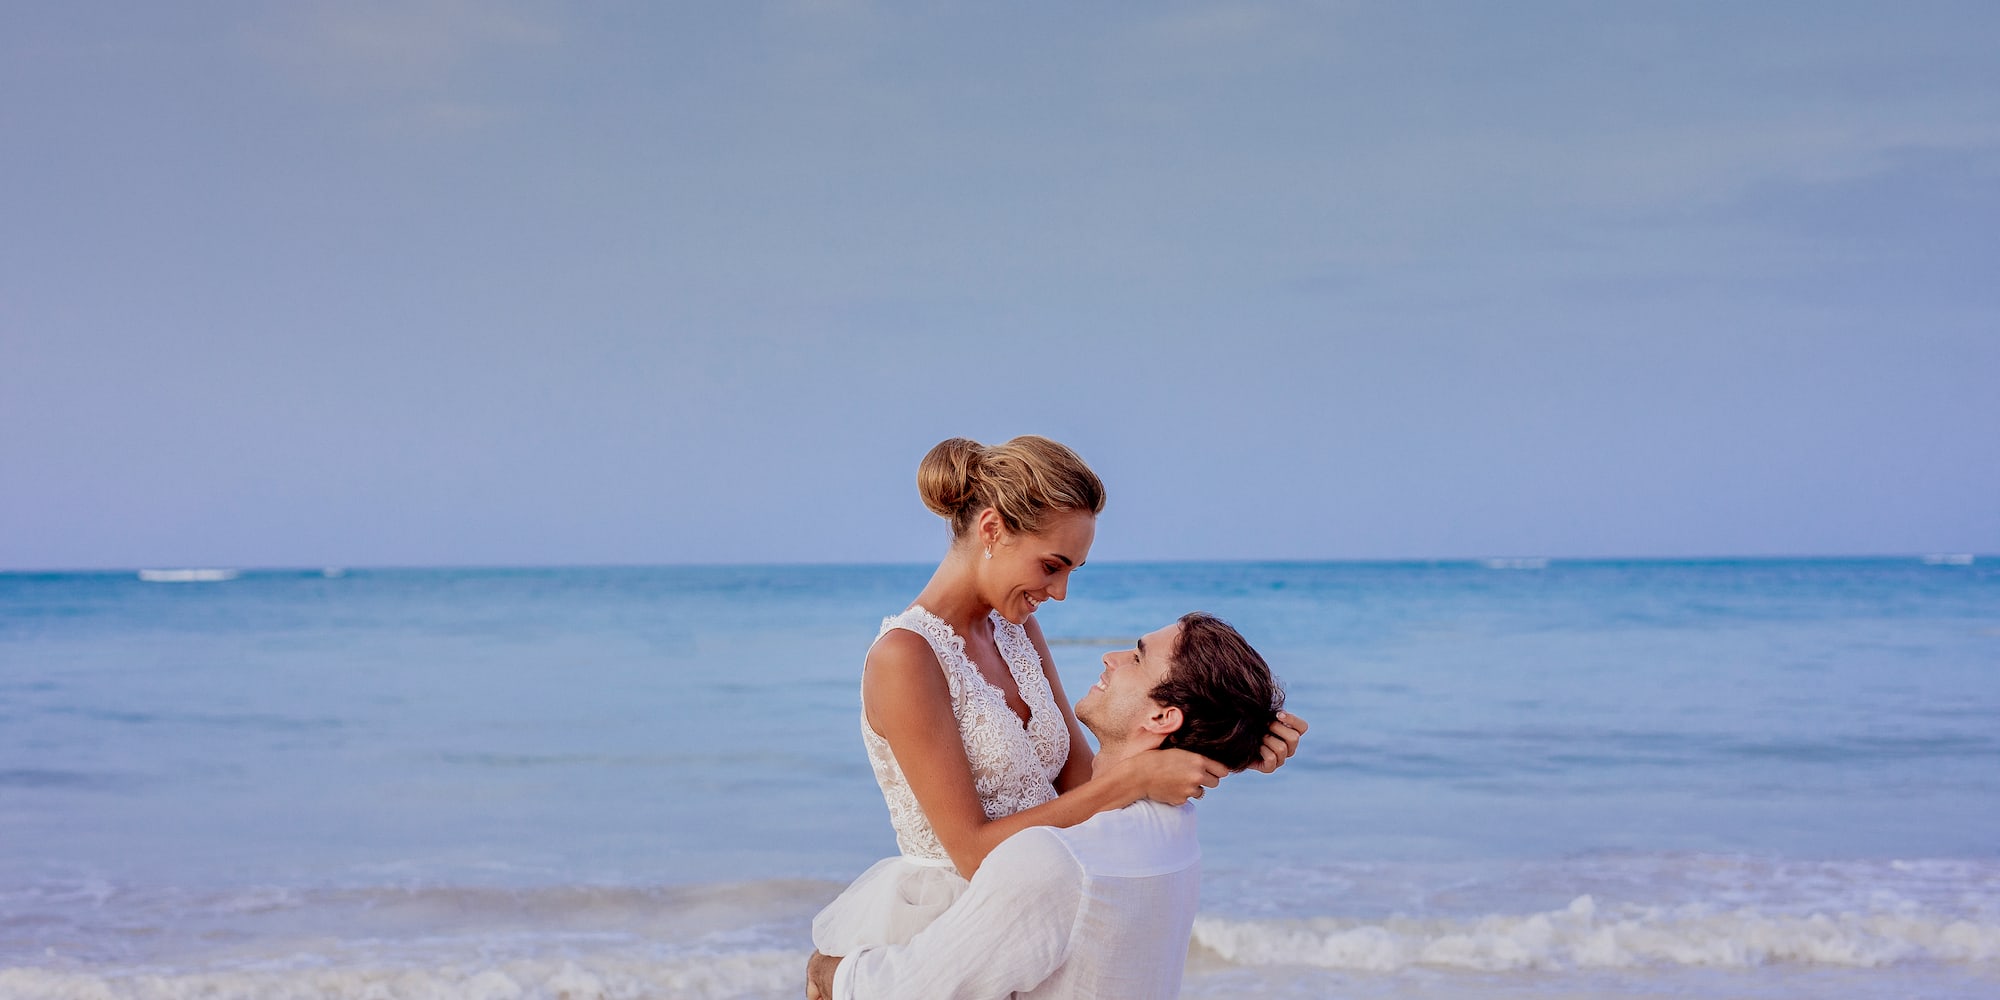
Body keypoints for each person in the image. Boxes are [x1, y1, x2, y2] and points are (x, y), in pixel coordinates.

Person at [810, 436, 1307, 959]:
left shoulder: (1017, 631)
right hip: (947, 930)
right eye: (1052, 565)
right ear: (992, 530)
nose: (1062, 591)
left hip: (1039, 915)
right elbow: (975, 854)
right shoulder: (905, 658)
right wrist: (1137, 778)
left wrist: (1230, 744)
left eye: (1072, 570)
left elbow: (1084, 788)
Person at [807, 612, 1286, 999]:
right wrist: (1239, 742)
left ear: (1163, 716)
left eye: (1137, 659)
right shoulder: (1176, 827)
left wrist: (828, 971)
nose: (1111, 658)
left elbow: (905, 991)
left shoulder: (1056, 862)